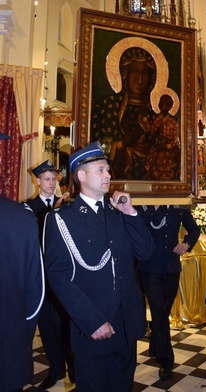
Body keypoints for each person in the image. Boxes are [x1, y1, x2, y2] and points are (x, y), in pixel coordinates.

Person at [43, 142, 154, 392]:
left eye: (108, 170)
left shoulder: (119, 213)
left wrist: (130, 212)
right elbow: (58, 277)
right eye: (101, 170)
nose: (108, 175)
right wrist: (91, 321)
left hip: (125, 323)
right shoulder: (62, 219)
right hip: (92, 327)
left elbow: (145, 252)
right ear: (82, 175)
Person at [0, 131, 44, 392]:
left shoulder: (22, 218)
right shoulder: (22, 218)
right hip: (8, 349)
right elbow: (34, 296)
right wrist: (16, 334)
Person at [137, 204, 200, 381]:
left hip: (171, 267)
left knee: (163, 311)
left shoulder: (177, 207)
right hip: (148, 267)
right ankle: (166, 360)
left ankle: (155, 343)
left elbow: (194, 229)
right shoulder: (141, 207)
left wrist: (186, 243)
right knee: (159, 311)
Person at [25, 160, 74, 389]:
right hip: (41, 275)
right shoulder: (28, 207)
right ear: (37, 181)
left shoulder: (66, 206)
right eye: (47, 178)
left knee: (66, 321)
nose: (51, 182)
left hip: (63, 274)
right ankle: (56, 368)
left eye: (54, 179)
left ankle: (73, 368)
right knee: (46, 324)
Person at [91, 47, 157, 180]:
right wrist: (121, 144)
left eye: (144, 73)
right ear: (124, 73)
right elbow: (94, 147)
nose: (139, 80)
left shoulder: (154, 113)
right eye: (134, 71)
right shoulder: (108, 105)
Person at [143, 93, 180, 180]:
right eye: (160, 102)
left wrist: (166, 146)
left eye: (163, 103)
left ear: (169, 106)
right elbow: (151, 130)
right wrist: (145, 120)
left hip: (168, 151)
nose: (160, 105)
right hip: (156, 148)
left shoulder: (173, 121)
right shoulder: (158, 118)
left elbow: (176, 140)